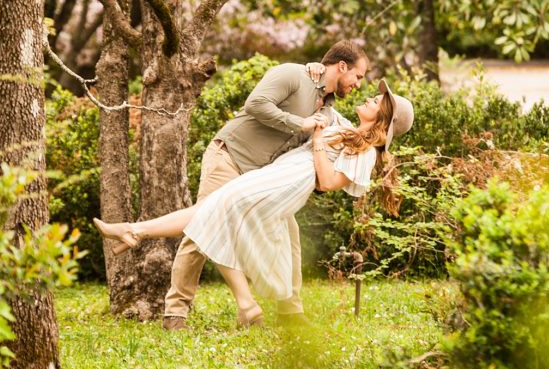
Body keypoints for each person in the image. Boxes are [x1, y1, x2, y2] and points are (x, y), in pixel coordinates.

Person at [93, 80, 414, 329]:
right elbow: (323, 101)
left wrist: (317, 142)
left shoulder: (367, 153)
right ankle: (134, 232)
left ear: (382, 120)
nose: (370, 97)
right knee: (215, 207)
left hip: (290, 180)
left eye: (377, 101)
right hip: (279, 172)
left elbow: (328, 183)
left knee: (219, 208)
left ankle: (136, 233)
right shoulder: (346, 128)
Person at [163, 40, 370, 330]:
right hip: (230, 156)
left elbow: (353, 136)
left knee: (290, 236)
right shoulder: (293, 74)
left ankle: (290, 312)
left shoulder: (328, 110)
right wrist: (299, 123)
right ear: (342, 66)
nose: (359, 84)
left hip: (261, 179)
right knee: (203, 225)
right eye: (358, 76)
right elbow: (256, 104)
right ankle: (175, 312)